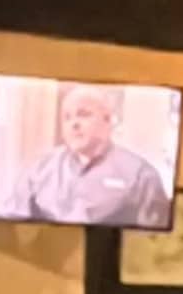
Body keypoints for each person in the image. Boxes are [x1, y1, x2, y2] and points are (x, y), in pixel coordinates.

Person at [25, 83, 173, 231]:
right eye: (67, 117)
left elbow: (153, 239)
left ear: (107, 120)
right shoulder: (39, 169)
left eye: (83, 114)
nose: (74, 124)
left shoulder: (141, 176)